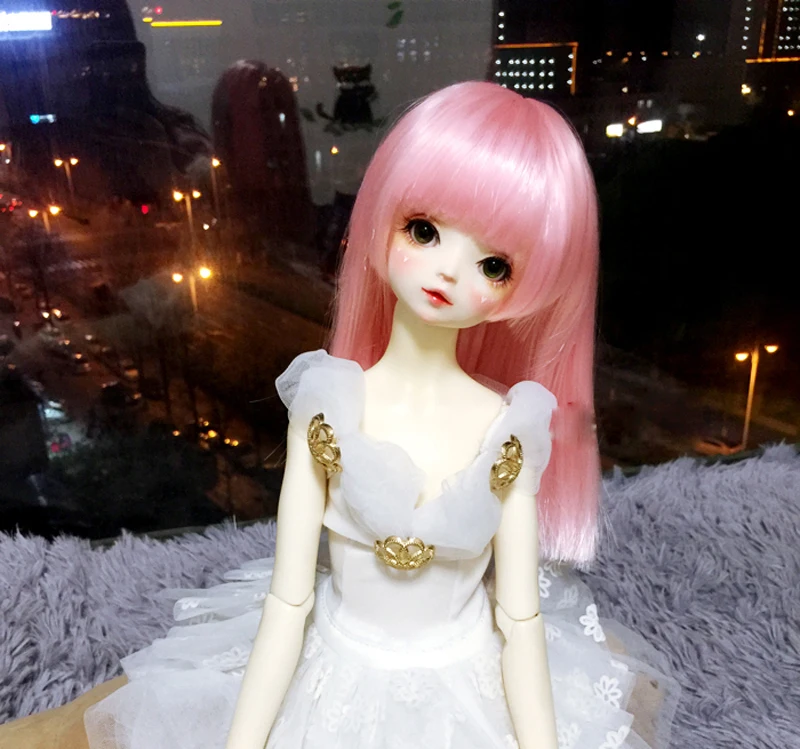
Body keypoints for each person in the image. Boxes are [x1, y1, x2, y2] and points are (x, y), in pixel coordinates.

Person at [84, 82, 678, 749]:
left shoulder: (509, 426)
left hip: (465, 683)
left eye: (493, 264)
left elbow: (519, 619)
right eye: (424, 230)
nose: (448, 271)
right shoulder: (330, 405)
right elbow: (289, 601)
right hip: (336, 665)